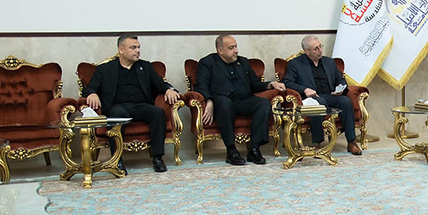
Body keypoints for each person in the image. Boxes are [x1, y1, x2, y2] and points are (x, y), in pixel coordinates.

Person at [84, 34, 181, 173]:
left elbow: (160, 84)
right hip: (118, 107)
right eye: (133, 48)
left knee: (157, 112)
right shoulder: (105, 69)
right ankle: (117, 160)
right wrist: (92, 94)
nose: (138, 51)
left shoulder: (145, 67)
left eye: (138, 47)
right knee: (117, 114)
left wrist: (169, 90)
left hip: (140, 106)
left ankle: (157, 158)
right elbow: (90, 89)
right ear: (121, 49)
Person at [195, 34, 286, 166]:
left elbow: (254, 84)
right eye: (231, 48)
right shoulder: (208, 63)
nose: (236, 51)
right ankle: (231, 150)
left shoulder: (242, 62)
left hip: (243, 101)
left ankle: (254, 149)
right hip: (223, 102)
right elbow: (201, 85)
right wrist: (209, 101)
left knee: (263, 103)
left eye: (236, 46)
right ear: (220, 50)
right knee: (225, 104)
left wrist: (271, 84)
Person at [283, 35, 362, 155]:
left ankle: (351, 142)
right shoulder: (295, 64)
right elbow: (287, 82)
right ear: (307, 51)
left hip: (330, 95)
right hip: (312, 97)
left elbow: (340, 79)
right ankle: (317, 142)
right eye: (316, 48)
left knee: (345, 101)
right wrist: (304, 89)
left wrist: (340, 87)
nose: (320, 50)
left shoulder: (329, 62)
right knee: (319, 103)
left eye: (320, 46)